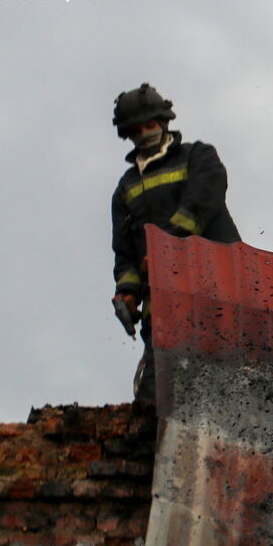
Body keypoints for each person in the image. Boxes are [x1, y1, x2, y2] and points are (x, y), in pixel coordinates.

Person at [110, 83, 241, 403]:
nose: (145, 133)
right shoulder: (126, 188)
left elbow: (202, 202)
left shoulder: (198, 158)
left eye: (150, 125)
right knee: (156, 400)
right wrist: (127, 293)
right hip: (164, 311)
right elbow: (125, 251)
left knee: (230, 387)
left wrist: (167, 247)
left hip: (218, 291)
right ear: (127, 134)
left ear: (164, 121)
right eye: (137, 130)